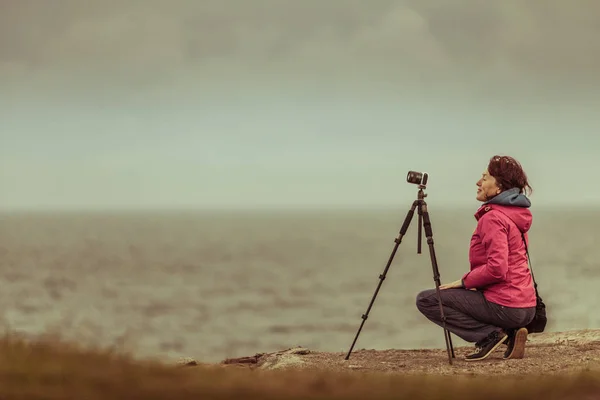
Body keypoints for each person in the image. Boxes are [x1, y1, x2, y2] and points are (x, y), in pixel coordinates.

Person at [415, 155, 537, 361]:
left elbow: (498, 268)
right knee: (461, 294)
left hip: (507, 306)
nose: (478, 183)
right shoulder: (514, 214)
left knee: (427, 300)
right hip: (527, 306)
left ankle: (489, 336)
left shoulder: (493, 217)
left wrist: (464, 282)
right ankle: (512, 335)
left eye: (485, 178)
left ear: (499, 187)